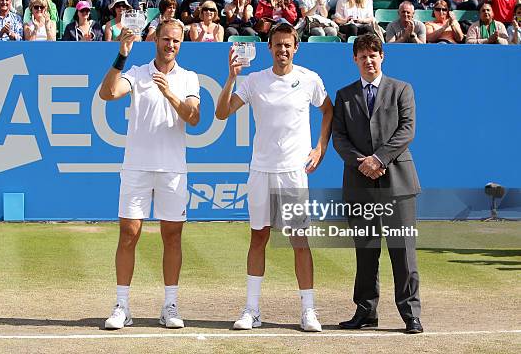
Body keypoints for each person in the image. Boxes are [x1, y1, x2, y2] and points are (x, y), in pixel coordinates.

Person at [215, 23, 333, 332]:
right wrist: (231, 77)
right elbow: (222, 113)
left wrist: (320, 147)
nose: (283, 50)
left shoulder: (310, 80)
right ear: (269, 48)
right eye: (278, 45)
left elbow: (328, 110)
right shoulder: (254, 80)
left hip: (293, 172)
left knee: (299, 241)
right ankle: (252, 310)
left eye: (288, 45)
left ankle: (308, 311)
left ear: (296, 48)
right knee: (259, 237)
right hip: (261, 170)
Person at [100, 19, 200, 330]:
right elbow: (108, 93)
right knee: (128, 234)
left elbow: (194, 118)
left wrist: (170, 94)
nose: (171, 45)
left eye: (176, 41)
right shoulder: (136, 72)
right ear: (155, 39)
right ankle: (122, 306)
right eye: (166, 39)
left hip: (172, 169)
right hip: (136, 166)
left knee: (173, 237)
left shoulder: (189, 78)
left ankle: (170, 305)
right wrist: (122, 55)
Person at [332, 33, 423, 335]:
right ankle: (366, 311)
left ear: (382, 56)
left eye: (373, 54)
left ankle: (410, 313)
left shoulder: (402, 89)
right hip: (360, 183)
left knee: (403, 249)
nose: (368, 60)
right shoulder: (344, 96)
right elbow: (339, 138)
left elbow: (407, 130)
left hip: (398, 183)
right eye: (362, 56)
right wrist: (362, 162)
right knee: (366, 250)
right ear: (354, 60)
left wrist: (379, 160)